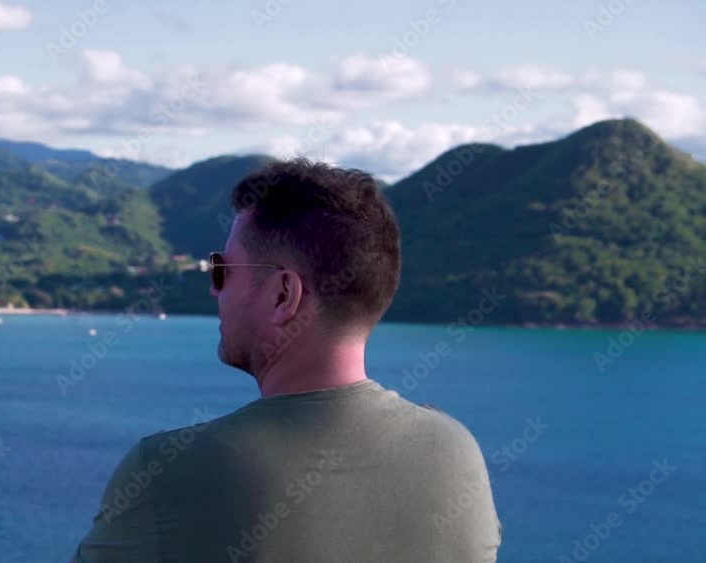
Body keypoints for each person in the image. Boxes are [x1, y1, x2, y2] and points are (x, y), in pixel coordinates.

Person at [72, 158, 502, 562]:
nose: (213, 289)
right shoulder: (456, 451)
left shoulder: (168, 472)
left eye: (222, 270)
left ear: (283, 294)